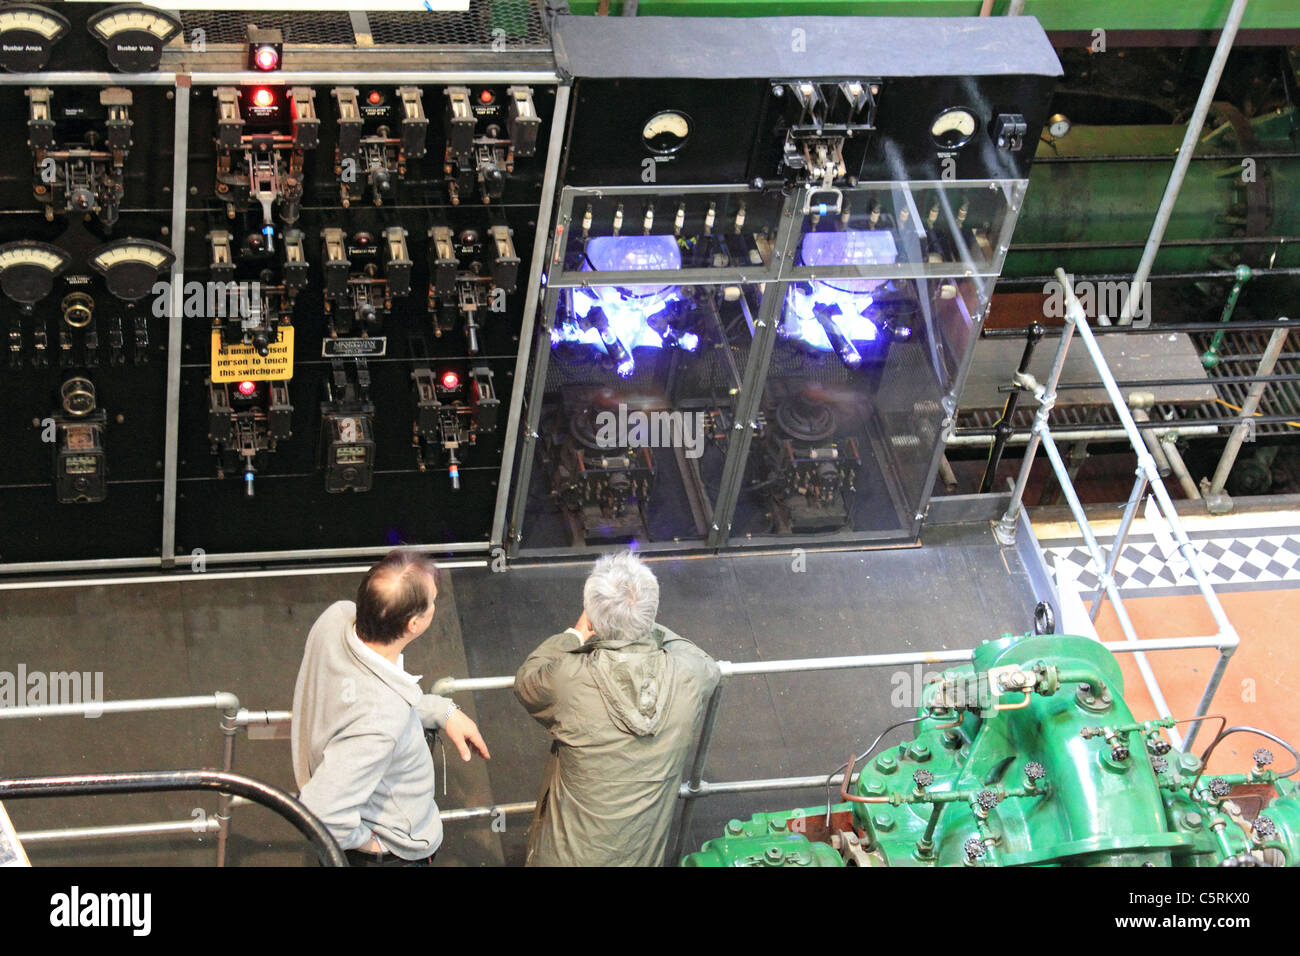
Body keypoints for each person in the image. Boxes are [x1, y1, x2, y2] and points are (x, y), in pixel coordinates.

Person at [514, 550, 720, 866]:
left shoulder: (570, 677)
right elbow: (705, 663)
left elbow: (528, 681)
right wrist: (641, 624)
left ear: (594, 618)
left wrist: (576, 634)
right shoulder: (688, 673)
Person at [291, 549, 489, 866]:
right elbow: (322, 815)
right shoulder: (381, 720)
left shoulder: (336, 618)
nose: (436, 605)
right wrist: (371, 845)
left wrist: (443, 711)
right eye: (433, 602)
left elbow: (367, 701)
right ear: (414, 624)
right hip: (389, 854)